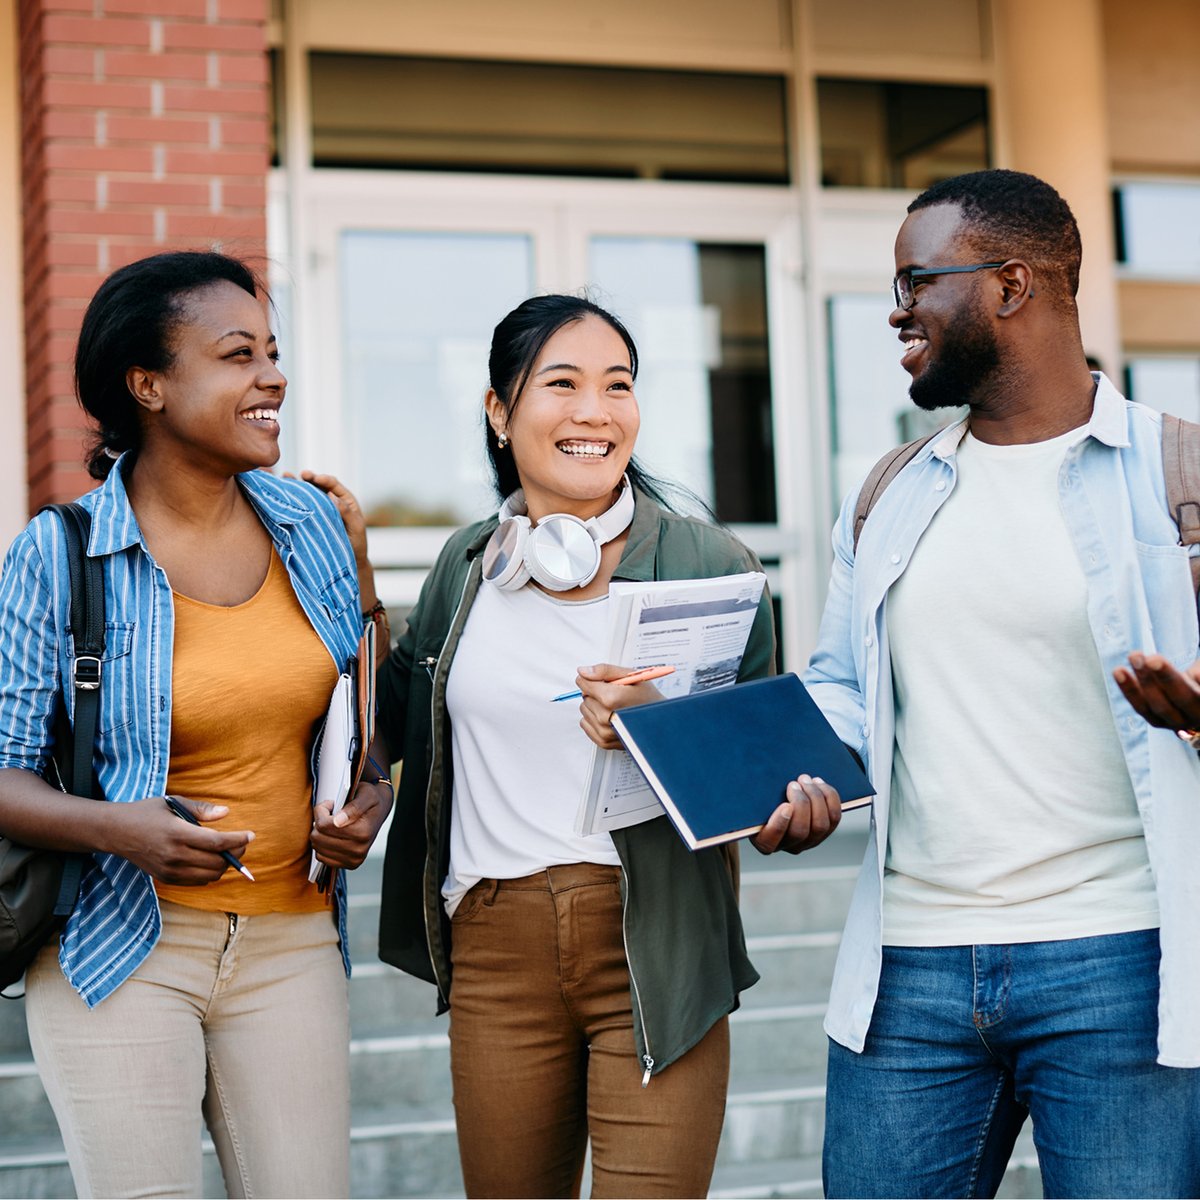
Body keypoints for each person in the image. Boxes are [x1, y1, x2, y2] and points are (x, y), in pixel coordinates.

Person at [308, 293, 840, 1198]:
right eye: (562, 384)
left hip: (655, 949)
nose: (596, 411)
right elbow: (388, 722)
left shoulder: (713, 565)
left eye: (618, 385)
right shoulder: (465, 566)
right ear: (499, 411)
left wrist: (687, 747)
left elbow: (767, 784)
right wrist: (355, 576)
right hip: (494, 947)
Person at [803, 168, 1200, 1199]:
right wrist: (788, 778)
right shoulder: (890, 493)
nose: (896, 311)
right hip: (909, 971)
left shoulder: (1180, 477)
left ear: (1012, 285)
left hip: (1121, 964)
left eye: (915, 282)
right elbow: (842, 693)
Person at [0, 251, 392, 1198]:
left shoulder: (310, 523)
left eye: (273, 352)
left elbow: (358, 711)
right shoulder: (60, 553)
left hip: (293, 941)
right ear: (150, 386)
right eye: (238, 355)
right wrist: (117, 829)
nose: (273, 377)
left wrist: (369, 795)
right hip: (120, 945)